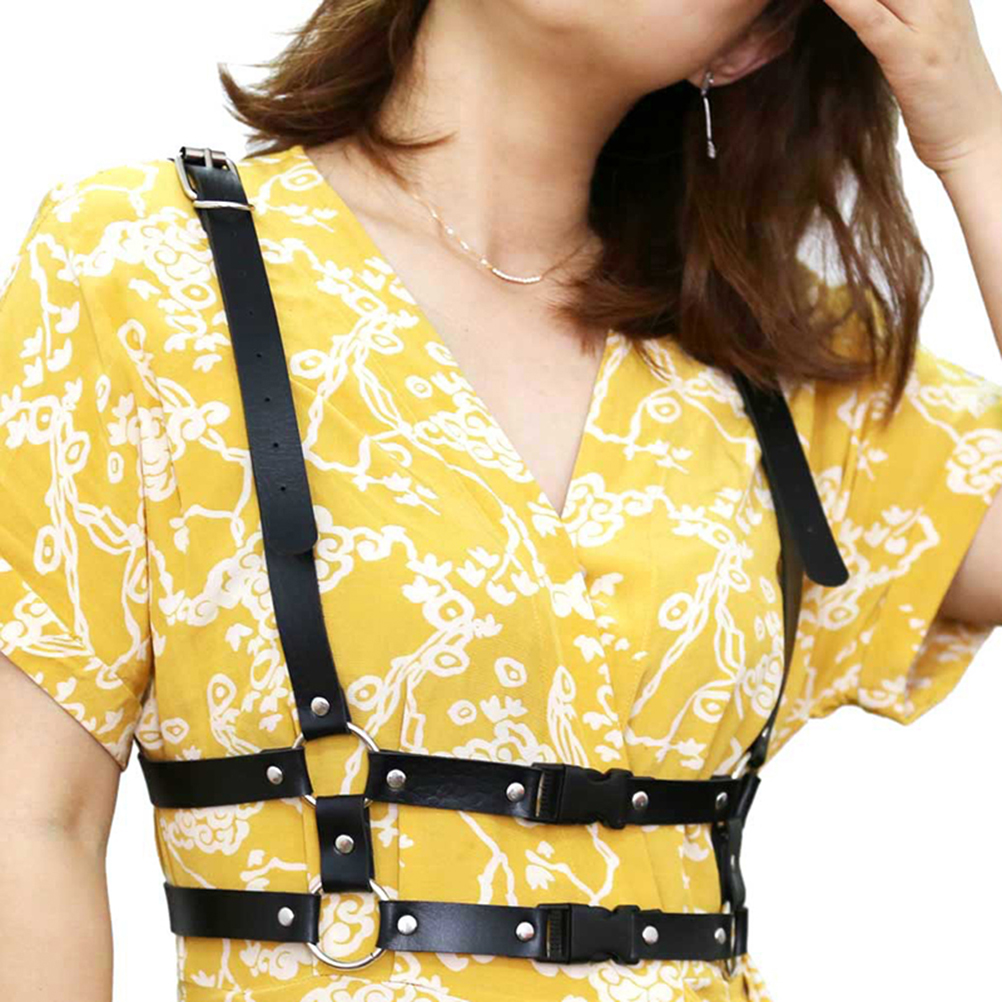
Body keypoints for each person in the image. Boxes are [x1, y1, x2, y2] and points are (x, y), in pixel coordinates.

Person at [2, 1, 1001, 1000]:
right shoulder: (145, 266)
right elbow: (33, 821)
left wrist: (971, 131)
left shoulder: (767, 360)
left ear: (750, 41)